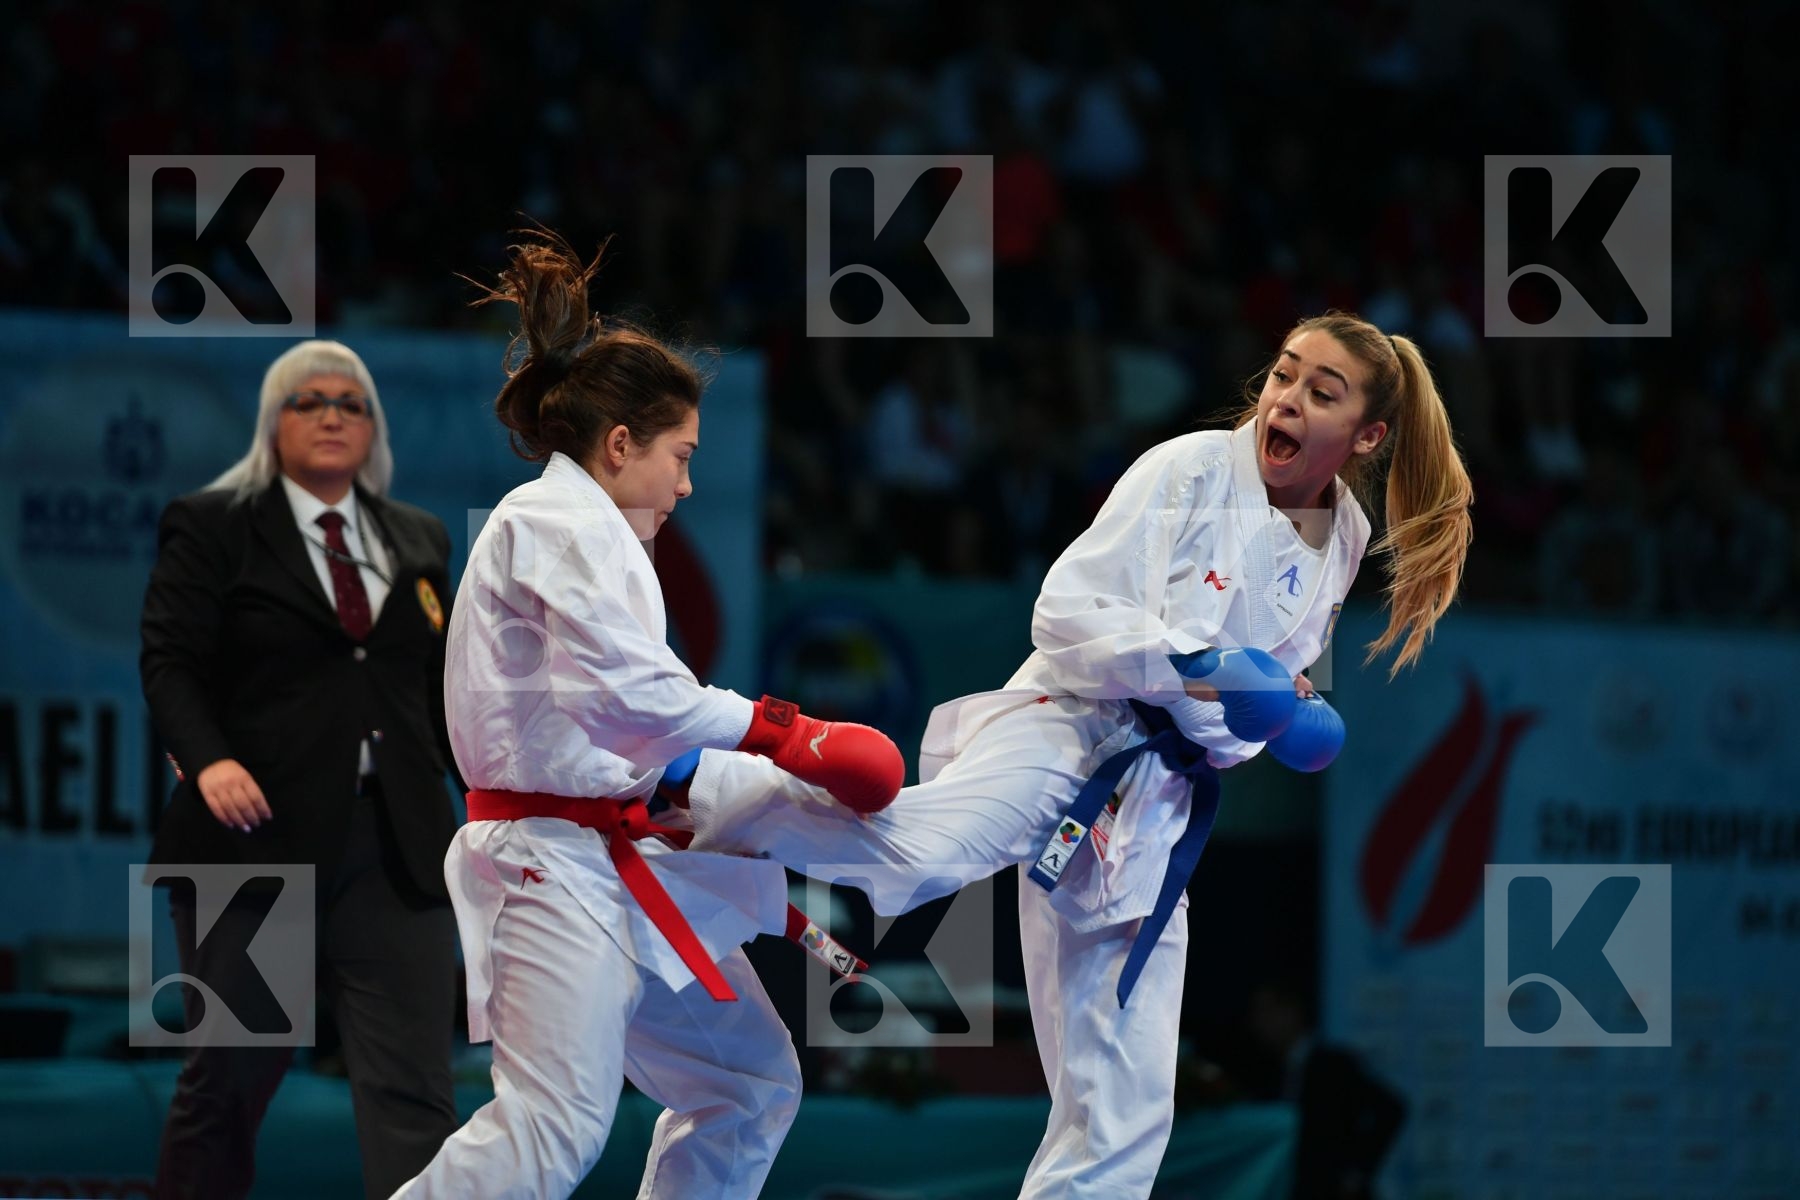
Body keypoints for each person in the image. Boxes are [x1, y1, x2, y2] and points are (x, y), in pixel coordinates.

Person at [682, 311, 1474, 1197]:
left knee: (1128, 1097)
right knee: (921, 854)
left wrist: (1276, 718)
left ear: (1364, 436)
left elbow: (1259, 699)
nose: (1284, 399)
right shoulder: (1190, 470)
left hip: (1159, 799)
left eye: (1319, 392)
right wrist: (1197, 666)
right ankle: (705, 791)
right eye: (1284, 374)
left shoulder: (1348, 537)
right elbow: (1062, 612)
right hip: (1071, 726)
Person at [393, 231, 903, 1200]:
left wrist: (743, 780)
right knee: (551, 1130)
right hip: (549, 860)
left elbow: (628, 734)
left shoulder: (594, 536)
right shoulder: (551, 520)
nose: (687, 484)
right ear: (620, 445)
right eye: (680, 455)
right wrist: (786, 734)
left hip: (606, 857)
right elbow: (628, 699)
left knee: (747, 1082)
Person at [140, 340, 463, 1200]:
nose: (330, 415)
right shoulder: (213, 523)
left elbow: (440, 695)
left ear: (373, 428)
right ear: (272, 424)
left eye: (350, 403)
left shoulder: (418, 538)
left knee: (416, 1088)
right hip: (255, 836)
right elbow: (171, 661)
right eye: (308, 401)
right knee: (231, 1077)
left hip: (397, 842)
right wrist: (206, 760)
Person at [1248, 982, 1406, 1200]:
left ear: (1292, 1012)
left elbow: (1391, 1107)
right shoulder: (1270, 1075)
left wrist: (1356, 1173)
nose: (1259, 1022)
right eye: (1256, 1012)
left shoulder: (1333, 1065)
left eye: (1267, 1011)